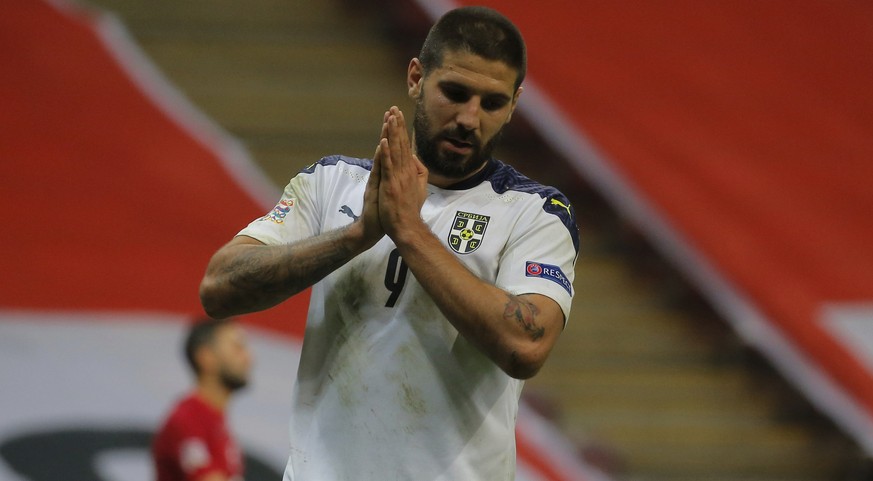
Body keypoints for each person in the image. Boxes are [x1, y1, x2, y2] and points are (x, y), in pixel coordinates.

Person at [199, 6, 579, 480]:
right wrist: (357, 235)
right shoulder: (332, 183)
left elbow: (526, 347)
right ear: (416, 76)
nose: (468, 118)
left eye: (492, 103)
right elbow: (218, 287)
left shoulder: (535, 213)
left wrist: (408, 230)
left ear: (515, 103)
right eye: (455, 93)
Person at [152, 318, 252, 481]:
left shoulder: (216, 422)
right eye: (237, 348)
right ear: (206, 357)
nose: (249, 358)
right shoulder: (186, 419)